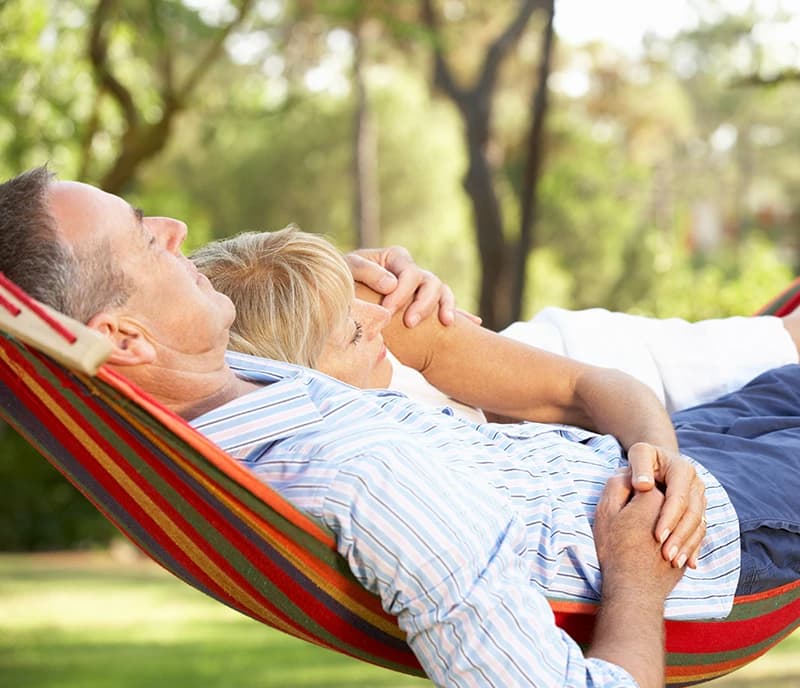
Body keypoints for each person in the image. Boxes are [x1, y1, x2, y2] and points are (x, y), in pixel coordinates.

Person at [2, 167, 799, 688]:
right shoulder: (364, 473)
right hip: (699, 535)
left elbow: (288, 326)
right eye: (146, 237)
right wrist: (635, 577)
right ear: (128, 338)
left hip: (656, 460)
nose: (174, 226)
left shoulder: (250, 396)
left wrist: (329, 281)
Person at [189, 226, 800, 423]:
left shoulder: (389, 336)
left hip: (607, 364)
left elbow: (574, 392)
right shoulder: (310, 423)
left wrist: (349, 278)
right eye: (351, 328)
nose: (375, 322)